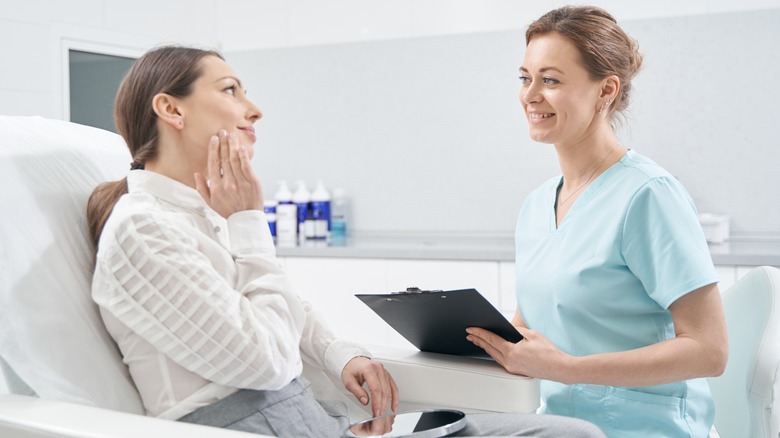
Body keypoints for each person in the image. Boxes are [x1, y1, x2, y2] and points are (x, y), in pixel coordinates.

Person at [86, 45, 604, 438]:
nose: (254, 109)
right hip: (253, 422)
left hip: (308, 417)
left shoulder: (203, 217)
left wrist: (340, 356)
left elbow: (283, 310)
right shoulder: (143, 230)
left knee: (571, 434)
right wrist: (248, 221)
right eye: (230, 90)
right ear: (171, 110)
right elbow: (267, 360)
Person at [466, 6, 728, 438]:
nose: (531, 95)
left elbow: (709, 350)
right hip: (559, 426)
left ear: (606, 90)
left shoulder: (648, 195)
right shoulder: (536, 206)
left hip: (646, 430)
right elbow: (528, 332)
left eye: (550, 80)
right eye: (525, 78)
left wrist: (568, 369)